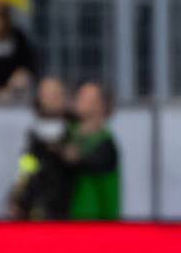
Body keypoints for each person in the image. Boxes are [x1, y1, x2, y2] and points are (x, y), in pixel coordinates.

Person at [9, 76, 73, 220]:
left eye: (55, 94)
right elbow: (27, 165)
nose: (50, 100)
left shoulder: (74, 131)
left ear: (65, 98)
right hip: (36, 206)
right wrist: (18, 193)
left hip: (65, 209)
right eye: (45, 95)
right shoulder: (34, 133)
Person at [64, 81, 120, 220]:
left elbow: (83, 163)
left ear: (102, 106)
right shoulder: (68, 133)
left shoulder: (105, 143)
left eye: (88, 99)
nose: (79, 102)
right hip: (65, 220)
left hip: (96, 221)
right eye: (80, 97)